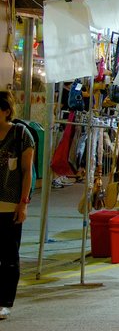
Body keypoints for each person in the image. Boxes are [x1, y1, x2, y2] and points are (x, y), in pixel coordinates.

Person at [0, 91, 35, 321]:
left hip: (10, 205)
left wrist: (22, 204)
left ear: (5, 111)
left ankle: (4, 302)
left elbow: (26, 172)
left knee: (9, 255)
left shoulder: (21, 134)